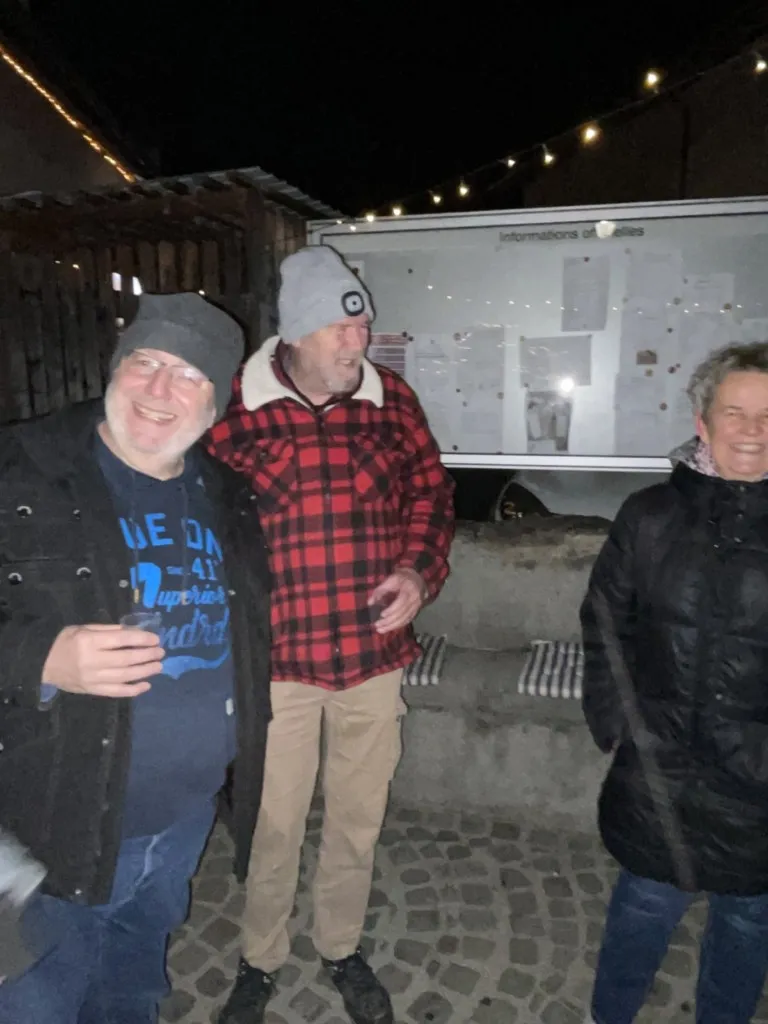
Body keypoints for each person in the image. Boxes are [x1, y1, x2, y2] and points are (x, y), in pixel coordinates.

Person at [0, 293, 272, 1024]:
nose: (158, 389)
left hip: (181, 825)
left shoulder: (230, 497)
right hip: (46, 840)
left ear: (215, 404)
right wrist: (39, 657)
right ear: (114, 368)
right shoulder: (20, 471)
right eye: (145, 362)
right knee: (38, 1007)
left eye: (188, 374)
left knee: (131, 995)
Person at [208, 245, 455, 1024]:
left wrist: (417, 571)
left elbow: (431, 493)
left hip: (373, 660)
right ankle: (260, 958)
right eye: (342, 330)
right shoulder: (233, 410)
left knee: (357, 819)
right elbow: (198, 518)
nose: (360, 342)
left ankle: (341, 945)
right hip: (279, 665)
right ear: (295, 334)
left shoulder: (392, 401)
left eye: (363, 326)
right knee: (273, 823)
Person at [580, 341, 768, 1024]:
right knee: (643, 907)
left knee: (747, 923)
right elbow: (606, 620)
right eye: (735, 412)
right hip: (661, 768)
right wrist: (617, 724)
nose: (752, 430)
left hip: (758, 783)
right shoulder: (650, 514)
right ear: (703, 423)